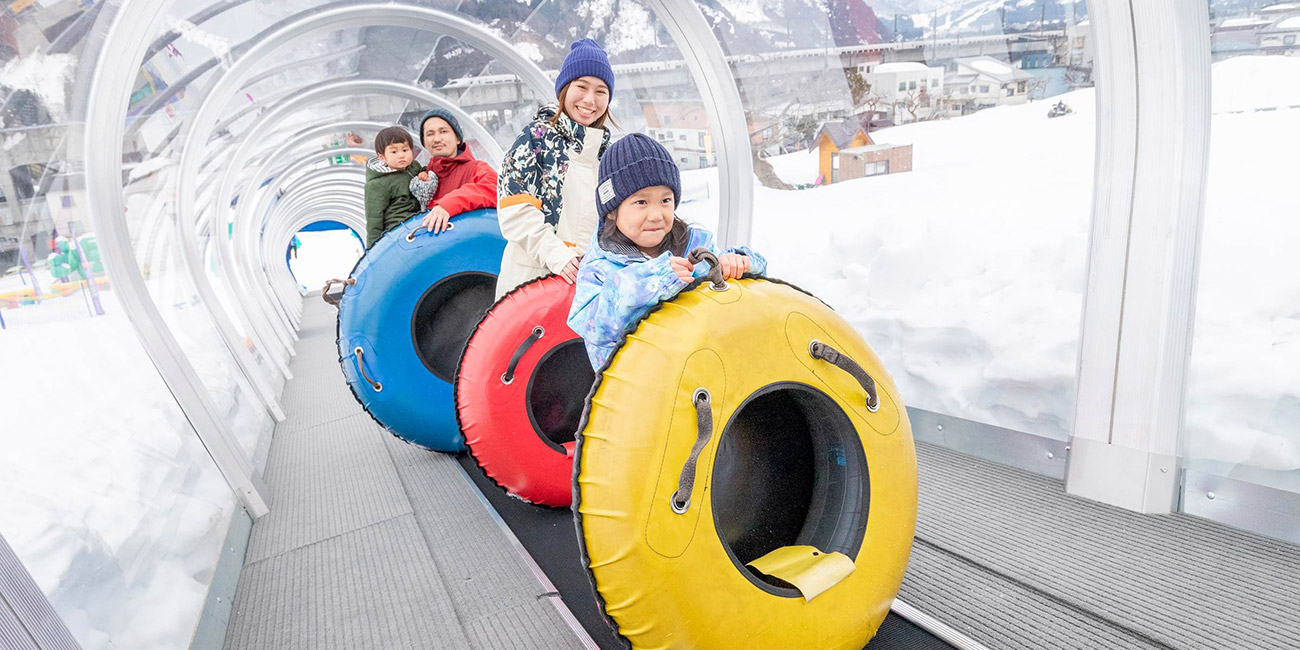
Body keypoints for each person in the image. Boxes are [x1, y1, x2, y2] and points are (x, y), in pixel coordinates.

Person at [567, 134, 768, 370]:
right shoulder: (599, 264)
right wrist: (651, 281)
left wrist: (739, 263)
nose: (656, 214)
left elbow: (753, 279)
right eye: (641, 202)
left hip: (705, 373)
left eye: (665, 200)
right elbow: (594, 328)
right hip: (641, 389)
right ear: (612, 211)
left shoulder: (695, 245)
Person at [496, 38, 615, 298]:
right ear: (564, 89)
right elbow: (516, 212)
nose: (589, 99)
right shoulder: (535, 140)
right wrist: (558, 255)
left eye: (600, 91)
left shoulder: (607, 155)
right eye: (581, 87)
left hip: (588, 286)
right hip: (532, 284)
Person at [416, 108, 498, 235]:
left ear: (458, 138)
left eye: (443, 131)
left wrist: (447, 205)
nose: (437, 139)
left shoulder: (476, 168)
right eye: (430, 134)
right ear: (424, 143)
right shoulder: (422, 178)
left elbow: (495, 189)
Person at [364, 126, 437, 247]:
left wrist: (424, 174)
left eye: (405, 150)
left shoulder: (413, 167)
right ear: (382, 157)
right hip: (397, 229)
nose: (401, 155)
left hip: (420, 220)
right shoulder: (376, 184)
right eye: (394, 152)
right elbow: (374, 220)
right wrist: (372, 249)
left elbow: (424, 171)